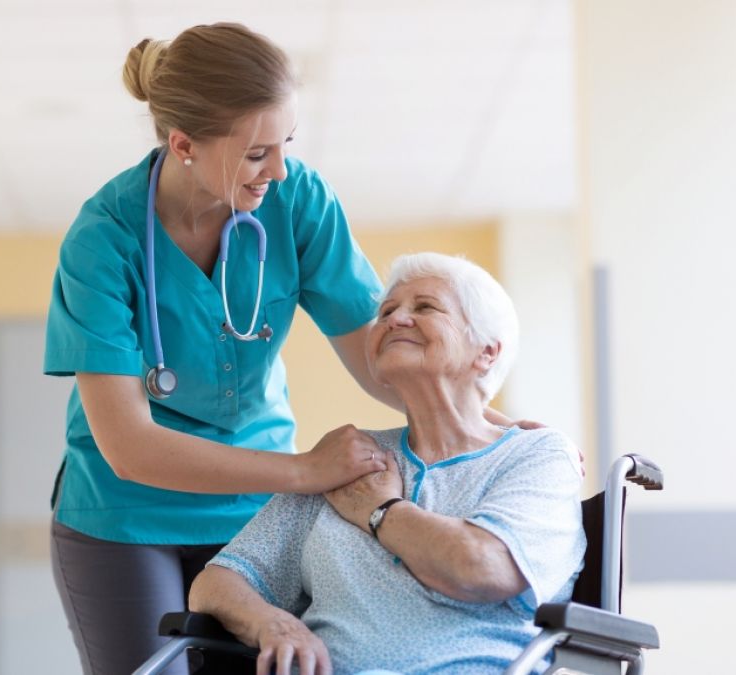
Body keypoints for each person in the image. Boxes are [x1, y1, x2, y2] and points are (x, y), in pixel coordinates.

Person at [43, 23, 521, 675]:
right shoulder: (103, 240)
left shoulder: (296, 201)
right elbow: (128, 446)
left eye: (287, 142)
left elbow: (381, 358)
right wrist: (304, 471)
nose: (281, 168)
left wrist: (493, 429)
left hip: (254, 514)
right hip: (124, 517)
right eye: (258, 152)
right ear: (183, 145)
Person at [189, 252, 586, 675]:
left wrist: (382, 512)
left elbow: (482, 566)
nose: (395, 320)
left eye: (425, 307)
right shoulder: (346, 460)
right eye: (387, 311)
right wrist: (274, 623)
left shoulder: (536, 455)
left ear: (486, 352)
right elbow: (218, 581)